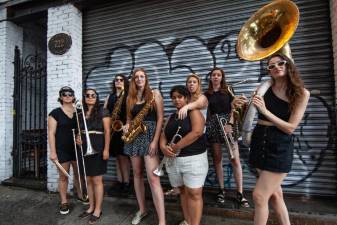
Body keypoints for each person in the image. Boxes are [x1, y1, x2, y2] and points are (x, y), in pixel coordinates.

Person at [249, 53, 310, 225]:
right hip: (259, 140)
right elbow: (249, 113)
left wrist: (266, 112)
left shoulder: (302, 93)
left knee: (259, 196)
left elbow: (290, 128)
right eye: (271, 66)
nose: (276, 67)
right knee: (275, 194)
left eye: (280, 63)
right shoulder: (264, 88)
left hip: (279, 145)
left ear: (288, 64)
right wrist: (238, 106)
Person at [123, 68, 166, 225]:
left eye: (142, 76)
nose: (139, 79)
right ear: (133, 80)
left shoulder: (155, 94)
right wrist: (127, 126)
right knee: (137, 174)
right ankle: (142, 210)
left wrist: (155, 141)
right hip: (134, 137)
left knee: (153, 179)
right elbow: (128, 119)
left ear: (146, 78)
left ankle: (162, 221)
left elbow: (161, 118)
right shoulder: (130, 98)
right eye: (136, 77)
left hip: (150, 137)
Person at [160, 85, 208, 225]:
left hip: (193, 160)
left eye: (179, 97)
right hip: (173, 161)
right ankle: (187, 221)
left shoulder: (193, 111)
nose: (176, 100)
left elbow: (197, 132)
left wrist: (176, 146)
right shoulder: (171, 116)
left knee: (194, 193)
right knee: (182, 191)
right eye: (173, 98)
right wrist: (163, 147)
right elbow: (164, 134)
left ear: (186, 98)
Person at [204, 67, 249, 207]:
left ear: (222, 77)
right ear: (211, 78)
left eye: (218, 75)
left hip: (228, 125)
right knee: (217, 159)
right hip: (214, 126)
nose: (216, 77)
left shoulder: (228, 90)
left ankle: (240, 193)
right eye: (214, 75)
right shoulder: (207, 94)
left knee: (235, 159)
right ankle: (221, 190)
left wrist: (230, 123)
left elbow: (234, 108)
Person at [48, 86, 87, 215]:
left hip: (76, 148)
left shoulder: (78, 111)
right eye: (64, 94)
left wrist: (80, 137)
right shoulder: (55, 113)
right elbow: (51, 133)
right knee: (63, 177)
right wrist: (53, 152)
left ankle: (80, 194)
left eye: (70, 94)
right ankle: (64, 202)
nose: (68, 96)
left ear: (73, 96)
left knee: (78, 174)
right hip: (62, 149)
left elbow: (82, 129)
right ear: (60, 97)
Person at [76, 88, 110, 224]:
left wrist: (106, 149)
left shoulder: (103, 111)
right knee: (88, 180)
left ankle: (98, 209)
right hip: (84, 148)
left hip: (99, 147)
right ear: (84, 98)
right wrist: (78, 137)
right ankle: (90, 206)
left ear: (97, 97)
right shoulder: (80, 112)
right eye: (87, 95)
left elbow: (107, 131)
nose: (90, 97)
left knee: (97, 180)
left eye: (93, 95)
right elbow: (79, 130)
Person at [104, 74, 131, 194]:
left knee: (123, 157)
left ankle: (126, 183)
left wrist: (128, 125)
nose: (118, 81)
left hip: (123, 129)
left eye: (121, 80)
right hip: (113, 130)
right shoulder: (109, 96)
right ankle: (120, 182)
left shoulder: (128, 96)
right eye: (116, 80)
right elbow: (104, 111)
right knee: (117, 157)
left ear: (125, 82)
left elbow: (132, 112)